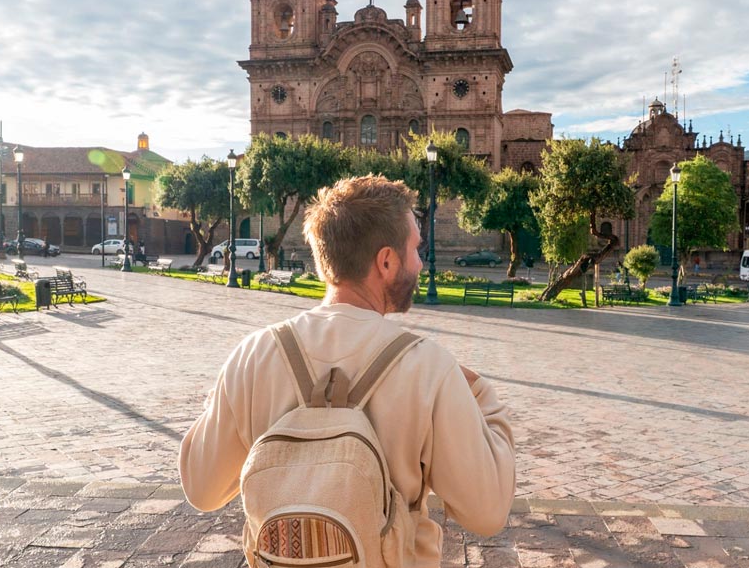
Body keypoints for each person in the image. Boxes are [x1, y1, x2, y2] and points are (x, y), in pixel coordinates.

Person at [179, 175, 515, 566]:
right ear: (386, 261)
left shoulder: (253, 355)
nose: (421, 263)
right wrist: (482, 397)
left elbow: (201, 489)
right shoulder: (427, 366)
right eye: (415, 249)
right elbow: (487, 512)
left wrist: (225, 390)